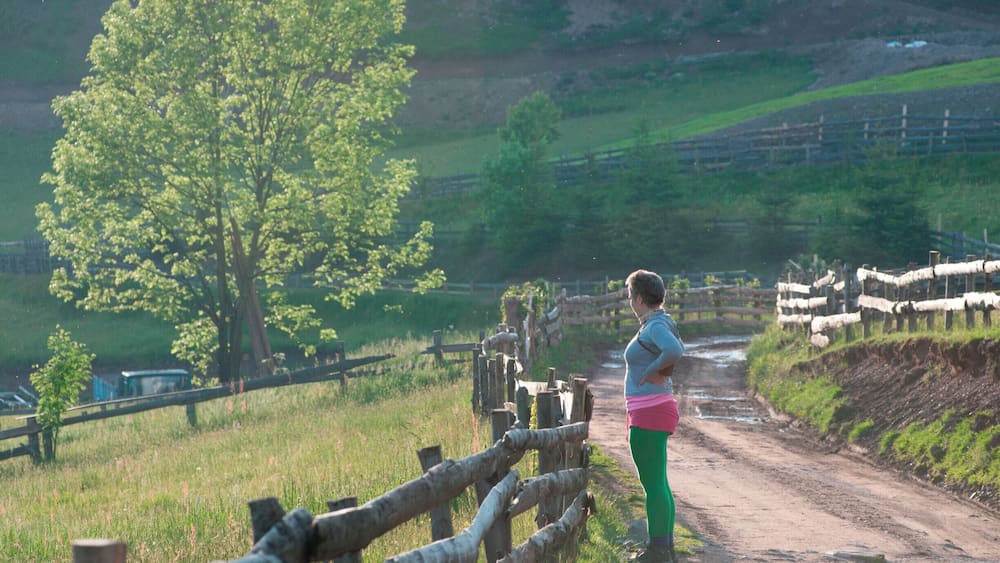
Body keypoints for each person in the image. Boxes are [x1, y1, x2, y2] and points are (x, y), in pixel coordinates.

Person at [624, 269, 684, 562]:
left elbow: (674, 350)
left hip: (650, 411)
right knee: (659, 482)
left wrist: (650, 371)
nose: (629, 302)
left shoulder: (654, 326)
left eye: (630, 296)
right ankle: (665, 548)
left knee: (653, 484)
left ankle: (657, 551)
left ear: (638, 298)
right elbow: (674, 348)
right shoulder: (660, 322)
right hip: (652, 409)